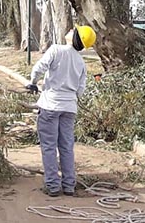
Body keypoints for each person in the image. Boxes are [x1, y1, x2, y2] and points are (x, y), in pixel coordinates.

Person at [26, 25, 97, 197]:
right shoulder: (81, 62)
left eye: (74, 30)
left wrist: (33, 82)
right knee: (66, 146)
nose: (71, 30)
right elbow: (80, 89)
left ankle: (52, 186)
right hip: (69, 108)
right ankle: (69, 186)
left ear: (75, 38)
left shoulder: (56, 50)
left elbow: (39, 68)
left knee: (49, 146)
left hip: (50, 106)